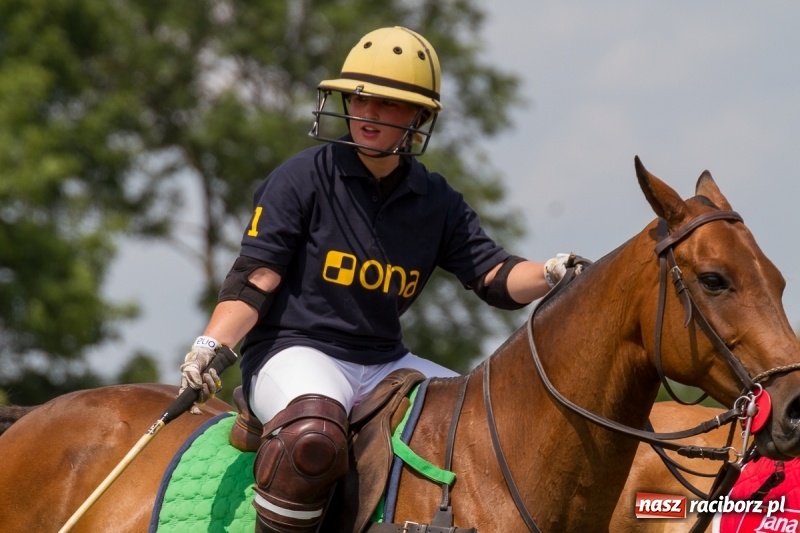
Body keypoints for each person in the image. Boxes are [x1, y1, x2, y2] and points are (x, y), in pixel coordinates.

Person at [178, 26, 582, 533]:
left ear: (419, 118)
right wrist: (209, 346)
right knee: (313, 434)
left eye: (388, 103)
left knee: (487, 422)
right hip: (294, 352)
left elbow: (495, 276)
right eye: (359, 98)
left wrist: (550, 273)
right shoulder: (301, 179)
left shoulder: (436, 200)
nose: (367, 113)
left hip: (386, 363)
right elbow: (254, 280)